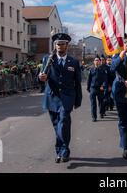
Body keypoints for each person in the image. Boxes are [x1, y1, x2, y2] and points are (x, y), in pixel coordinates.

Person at [39, 33, 82, 164]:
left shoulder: (73, 62)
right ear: (55, 45)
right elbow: (41, 76)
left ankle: (64, 151)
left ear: (67, 46)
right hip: (52, 97)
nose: (59, 46)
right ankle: (60, 150)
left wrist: (78, 100)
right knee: (57, 125)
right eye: (58, 44)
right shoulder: (48, 59)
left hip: (67, 98)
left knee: (63, 122)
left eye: (62, 44)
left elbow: (77, 83)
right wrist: (41, 78)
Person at [87, 56, 107, 122]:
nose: (97, 61)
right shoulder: (91, 70)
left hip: (100, 88)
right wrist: (88, 87)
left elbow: (105, 79)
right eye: (95, 60)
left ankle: (101, 112)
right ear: (94, 62)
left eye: (98, 60)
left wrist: (103, 86)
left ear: (99, 62)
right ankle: (94, 117)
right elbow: (89, 79)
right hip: (93, 88)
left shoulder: (102, 69)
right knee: (93, 103)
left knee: (101, 102)